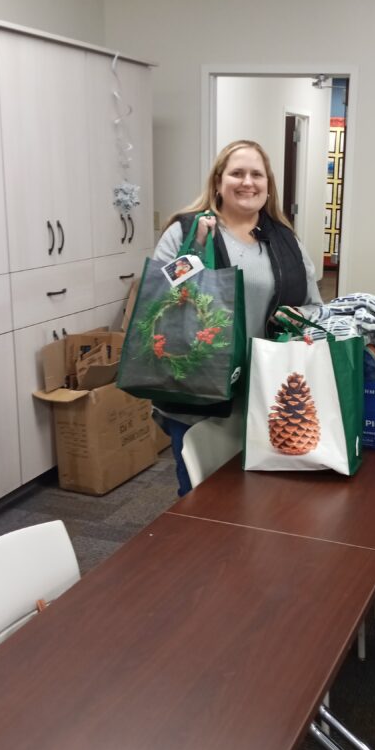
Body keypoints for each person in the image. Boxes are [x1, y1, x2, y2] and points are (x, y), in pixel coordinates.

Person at [152, 139, 323, 495]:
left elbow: (314, 306)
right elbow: (160, 298)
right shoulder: (186, 231)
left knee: (262, 496)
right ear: (218, 182)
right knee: (202, 500)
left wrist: (298, 316)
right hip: (199, 395)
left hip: (264, 393)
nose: (248, 182)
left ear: (268, 185)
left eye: (256, 174)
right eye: (237, 173)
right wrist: (197, 248)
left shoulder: (285, 240)